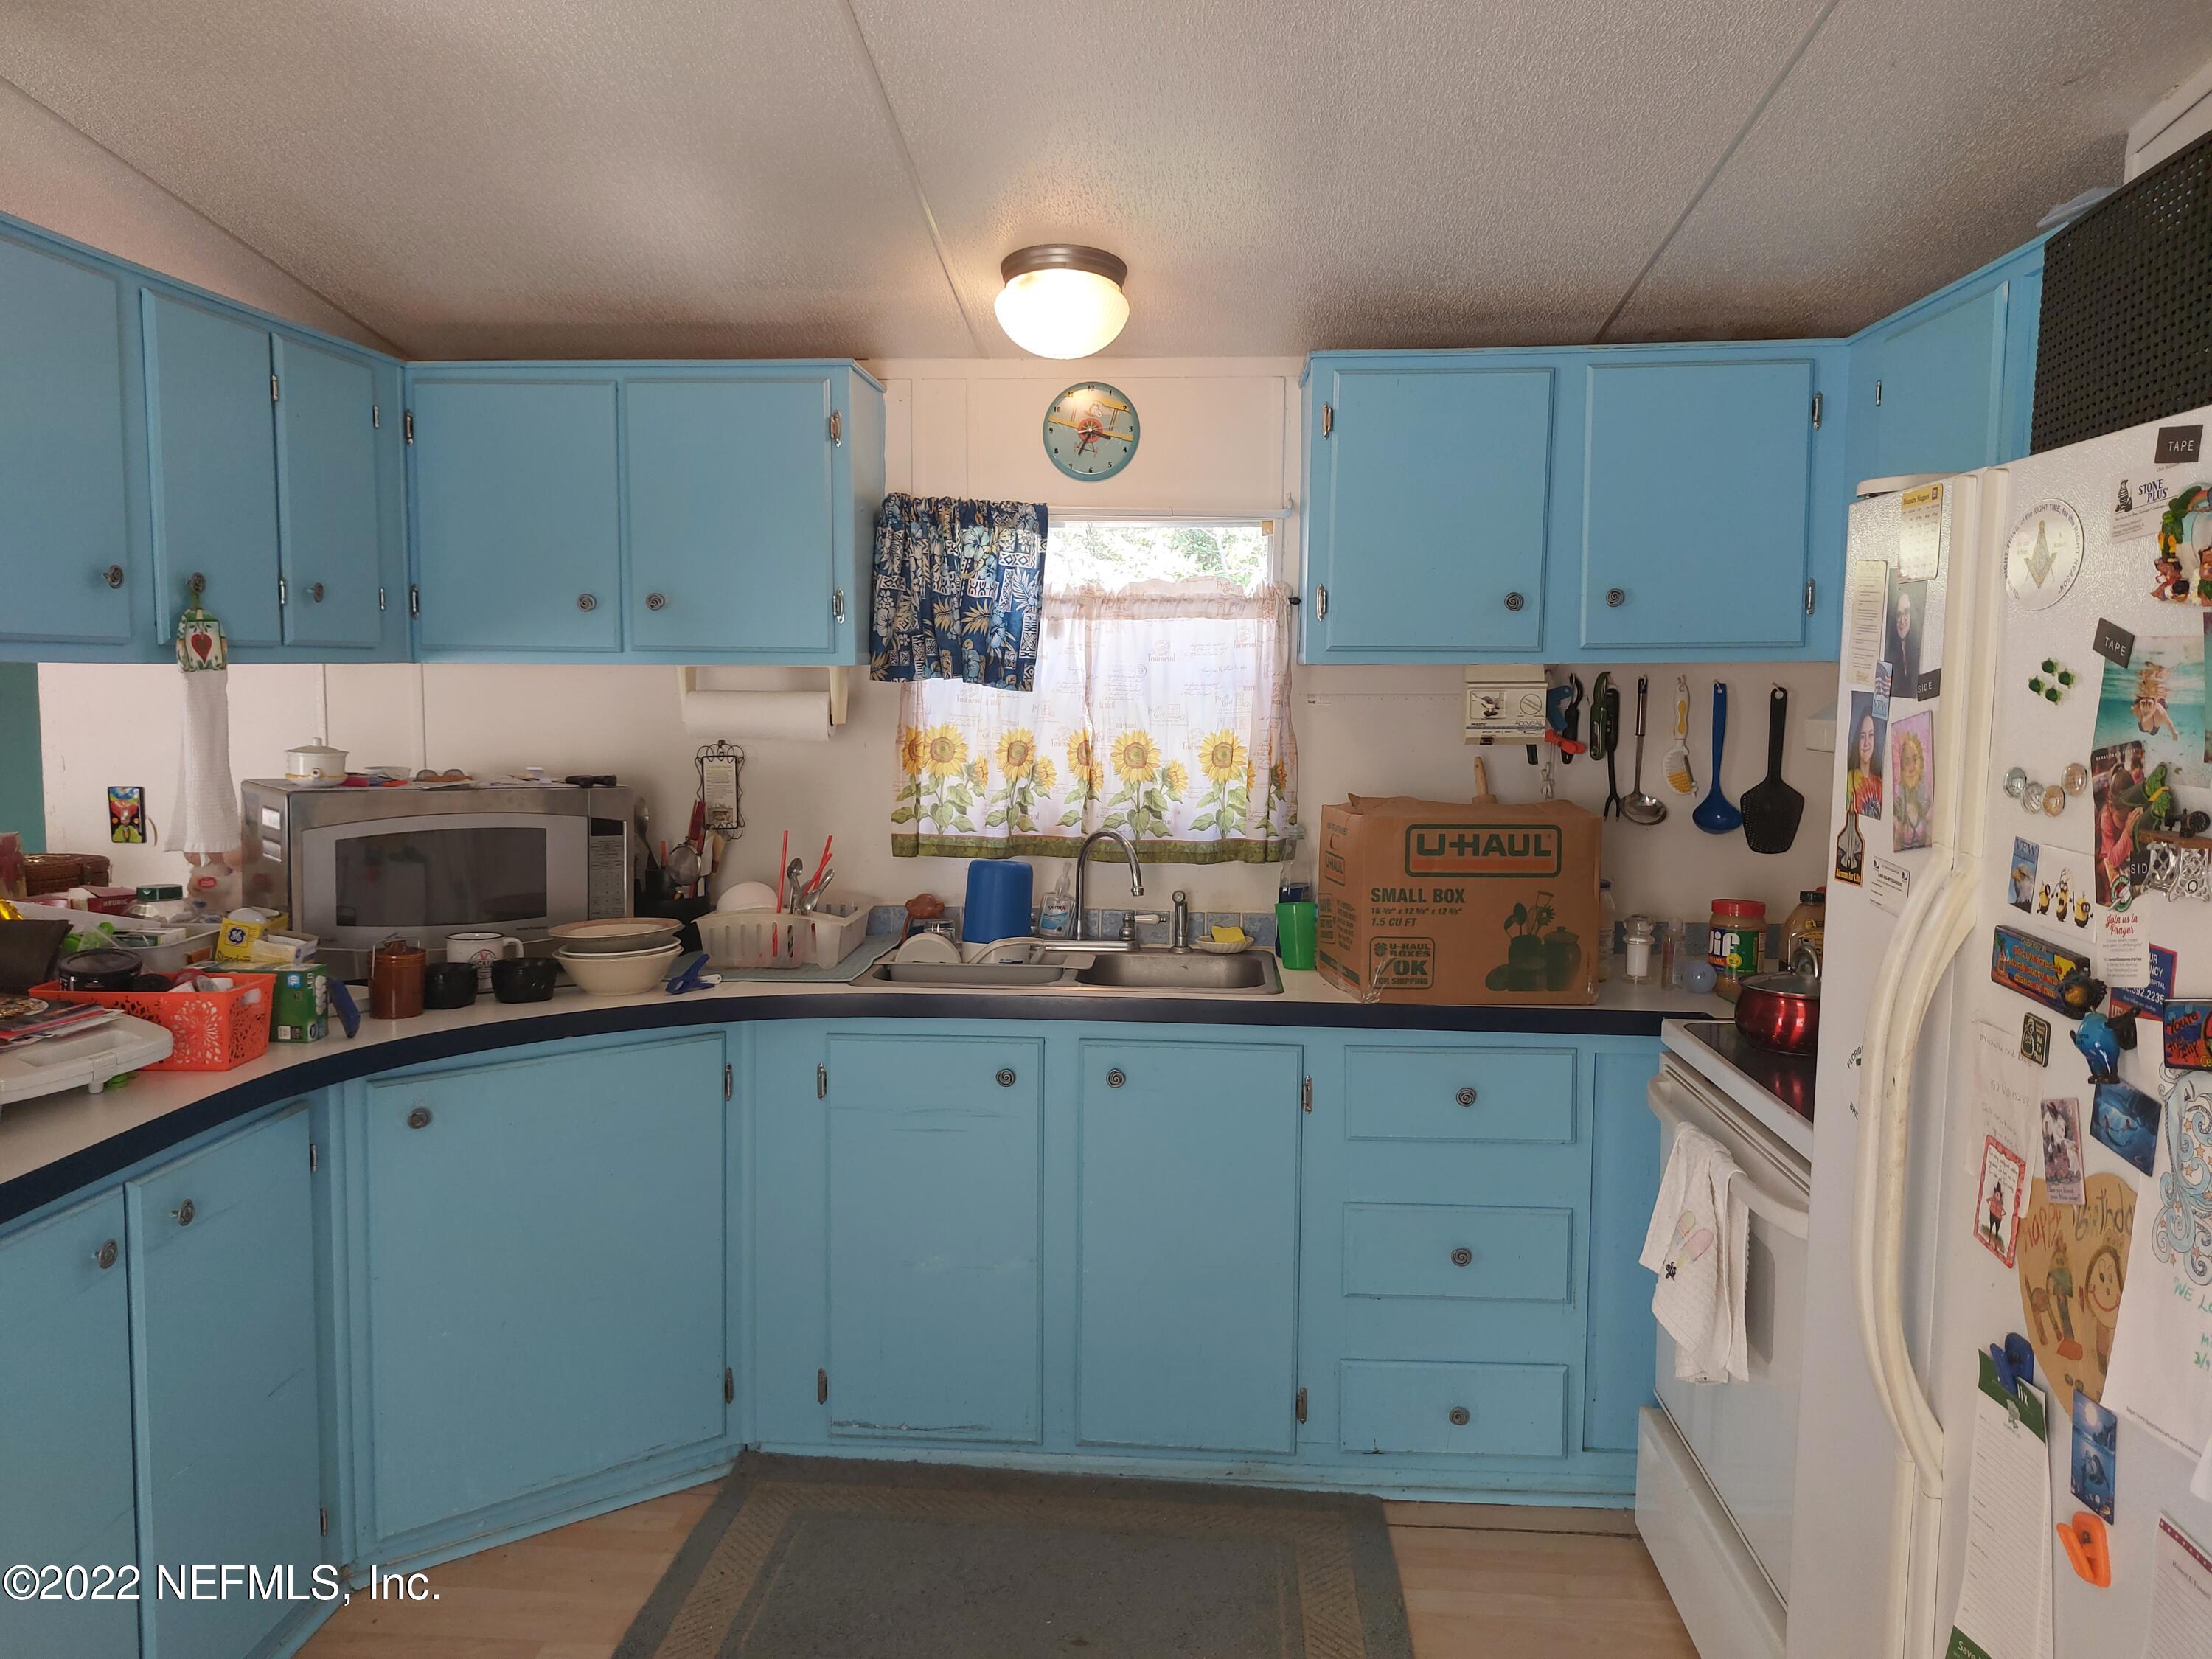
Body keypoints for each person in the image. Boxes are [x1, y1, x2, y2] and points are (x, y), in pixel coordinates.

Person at [1845, 709, 1883, 818]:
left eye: (1871, 735)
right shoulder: (1849, 779)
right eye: (1862, 736)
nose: (1866, 743)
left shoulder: (1880, 785)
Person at [1884, 582, 1921, 689]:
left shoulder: (1919, 652)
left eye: (1906, 613)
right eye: (1898, 614)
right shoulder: (1888, 654)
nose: (1902, 621)